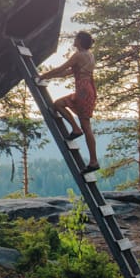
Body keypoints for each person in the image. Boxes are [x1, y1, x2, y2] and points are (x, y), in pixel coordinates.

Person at [36, 31, 99, 174]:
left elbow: (61, 68)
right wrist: (49, 77)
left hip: (83, 91)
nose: (74, 39)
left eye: (76, 38)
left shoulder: (78, 55)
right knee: (59, 104)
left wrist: (45, 75)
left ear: (80, 41)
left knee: (86, 126)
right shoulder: (89, 55)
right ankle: (76, 130)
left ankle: (93, 161)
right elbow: (68, 72)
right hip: (87, 89)